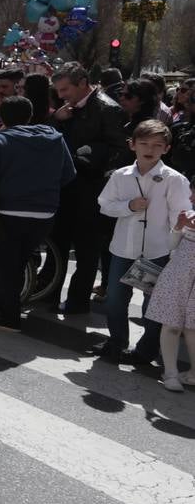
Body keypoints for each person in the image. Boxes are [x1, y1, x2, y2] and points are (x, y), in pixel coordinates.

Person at [0, 96, 76, 332]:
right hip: (45, 212)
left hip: (9, 210)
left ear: (1, 117)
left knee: (8, 266)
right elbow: (69, 173)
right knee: (17, 263)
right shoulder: (54, 139)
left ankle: (9, 317)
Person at [96, 119, 189, 366]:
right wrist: (129, 206)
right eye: (144, 143)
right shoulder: (120, 175)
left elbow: (181, 216)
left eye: (158, 145)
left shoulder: (174, 179)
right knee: (115, 299)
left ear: (166, 149)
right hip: (123, 249)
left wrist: (177, 242)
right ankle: (116, 342)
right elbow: (105, 205)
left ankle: (146, 350)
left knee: (152, 304)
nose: (150, 149)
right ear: (132, 145)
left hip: (157, 251)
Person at [49, 62, 128, 312]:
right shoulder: (67, 109)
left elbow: (121, 151)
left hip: (92, 190)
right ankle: (49, 291)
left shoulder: (108, 109)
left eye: (65, 90)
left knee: (86, 249)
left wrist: (96, 166)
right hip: (66, 186)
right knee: (57, 241)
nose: (61, 96)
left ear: (83, 82)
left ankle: (77, 300)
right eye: (58, 91)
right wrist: (56, 119)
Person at [145, 198, 195, 391]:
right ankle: (171, 373)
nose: (191, 198)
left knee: (192, 329)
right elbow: (171, 244)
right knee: (171, 324)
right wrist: (178, 226)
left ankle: (193, 374)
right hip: (177, 276)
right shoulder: (188, 214)